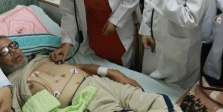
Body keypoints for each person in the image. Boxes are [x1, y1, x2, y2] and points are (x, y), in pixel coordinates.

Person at [0, 36, 182, 111]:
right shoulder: (8, 85)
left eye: (13, 45)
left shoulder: (41, 57)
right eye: (4, 51)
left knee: (158, 102)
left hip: (99, 82)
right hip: (83, 100)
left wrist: (110, 71)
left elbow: (78, 66)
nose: (13, 51)